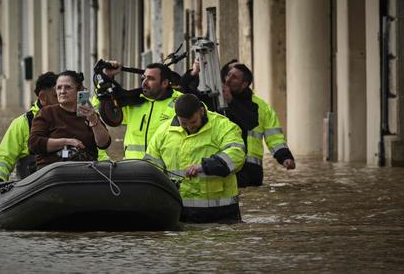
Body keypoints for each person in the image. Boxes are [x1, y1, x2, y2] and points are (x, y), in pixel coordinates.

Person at [180, 59, 295, 187]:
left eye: (234, 77)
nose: (228, 79)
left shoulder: (256, 106)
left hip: (250, 170)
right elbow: (186, 96)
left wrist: (285, 157)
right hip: (217, 166)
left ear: (244, 84)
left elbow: (270, 134)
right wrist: (194, 73)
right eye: (228, 75)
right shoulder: (214, 98)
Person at [145, 93, 246, 223]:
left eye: (193, 122)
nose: (190, 127)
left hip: (221, 212)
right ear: (177, 117)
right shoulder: (163, 132)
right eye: (184, 123)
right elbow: (151, 166)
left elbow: (237, 155)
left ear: (202, 111)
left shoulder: (223, 126)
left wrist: (204, 166)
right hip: (181, 212)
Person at [28, 70, 111, 169]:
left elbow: (104, 143)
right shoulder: (46, 113)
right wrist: (67, 142)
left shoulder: (89, 114)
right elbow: (34, 143)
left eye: (68, 87)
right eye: (59, 88)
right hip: (52, 172)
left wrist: (94, 120)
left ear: (79, 90)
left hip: (84, 172)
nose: (62, 91)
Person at [100, 61, 182, 159]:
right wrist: (107, 77)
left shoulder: (180, 102)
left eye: (151, 79)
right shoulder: (134, 101)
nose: (144, 82)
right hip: (133, 169)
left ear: (164, 83)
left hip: (164, 171)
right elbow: (102, 109)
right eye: (144, 78)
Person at [0, 72, 58, 183]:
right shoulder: (22, 123)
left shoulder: (69, 118)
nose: (61, 99)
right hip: (31, 186)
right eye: (56, 95)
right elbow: (4, 158)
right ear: (43, 97)